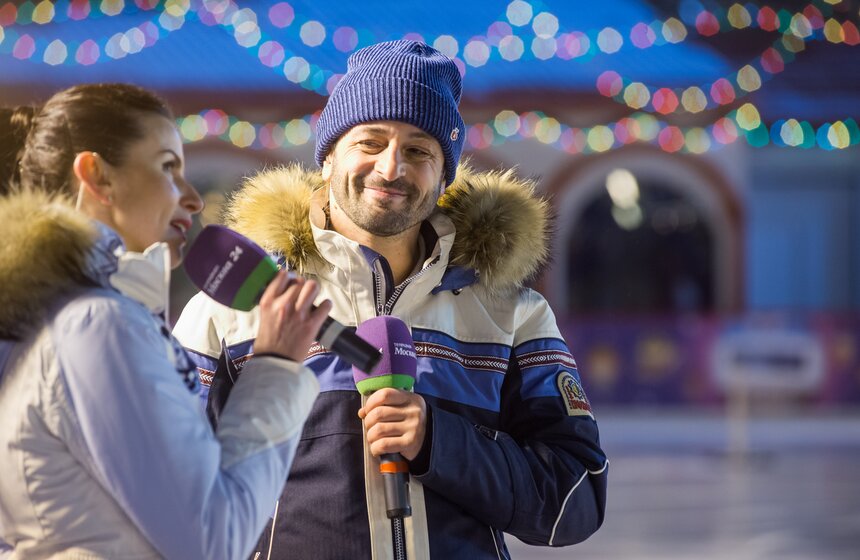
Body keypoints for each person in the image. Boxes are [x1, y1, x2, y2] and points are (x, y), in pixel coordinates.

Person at [174, 40, 608, 559]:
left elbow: (575, 498)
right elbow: (164, 483)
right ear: (329, 154)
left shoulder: (512, 313)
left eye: (419, 150)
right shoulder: (233, 309)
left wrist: (439, 442)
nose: (390, 167)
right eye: (370, 142)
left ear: (443, 173)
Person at [0, 83, 332, 559]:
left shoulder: (63, 313)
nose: (193, 199)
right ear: (96, 175)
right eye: (168, 169)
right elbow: (213, 540)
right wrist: (275, 365)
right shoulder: (96, 324)